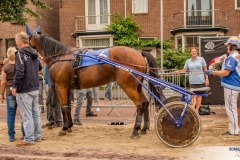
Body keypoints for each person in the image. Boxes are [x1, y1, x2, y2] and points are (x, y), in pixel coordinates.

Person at [205, 36, 240, 136]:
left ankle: (233, 131)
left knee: (231, 108)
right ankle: (232, 129)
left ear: (233, 46)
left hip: (231, 86)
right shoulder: (235, 56)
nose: (226, 47)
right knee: (231, 108)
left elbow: (225, 73)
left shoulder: (232, 57)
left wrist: (212, 72)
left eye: (228, 45)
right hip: (233, 86)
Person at [12, 31, 42, 146]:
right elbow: (39, 67)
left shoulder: (20, 54)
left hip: (24, 88)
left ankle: (29, 138)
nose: (15, 42)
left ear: (20, 41)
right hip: (35, 87)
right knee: (35, 113)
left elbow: (19, 72)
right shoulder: (35, 53)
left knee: (27, 115)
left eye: (15, 40)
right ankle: (37, 135)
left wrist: (15, 86)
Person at [0, 47, 25, 142]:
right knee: (23, 114)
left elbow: (3, 82)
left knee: (10, 114)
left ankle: (11, 135)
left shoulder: (5, 68)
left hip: (9, 92)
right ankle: (24, 133)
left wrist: (1, 94)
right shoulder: (21, 65)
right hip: (20, 91)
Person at [174, 47, 209, 112]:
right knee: (193, 95)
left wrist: (207, 79)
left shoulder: (201, 59)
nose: (194, 52)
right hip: (192, 80)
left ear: (197, 52)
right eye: (192, 51)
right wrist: (178, 71)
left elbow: (205, 70)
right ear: (190, 53)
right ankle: (193, 109)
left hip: (200, 80)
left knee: (199, 96)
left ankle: (197, 110)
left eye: (195, 51)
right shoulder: (188, 61)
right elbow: (184, 70)